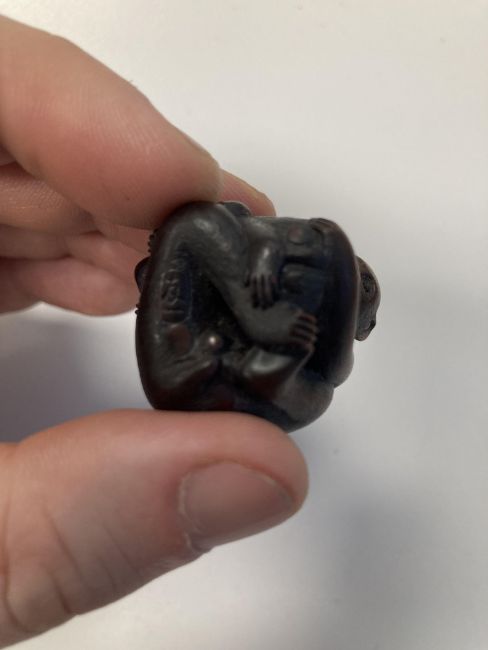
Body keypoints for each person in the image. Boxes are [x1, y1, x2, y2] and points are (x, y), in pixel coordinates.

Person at [0, 16, 308, 647]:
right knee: (202, 226)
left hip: (223, 365)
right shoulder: (202, 237)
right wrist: (258, 311)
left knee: (289, 377)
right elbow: (209, 247)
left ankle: (262, 357)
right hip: (189, 365)